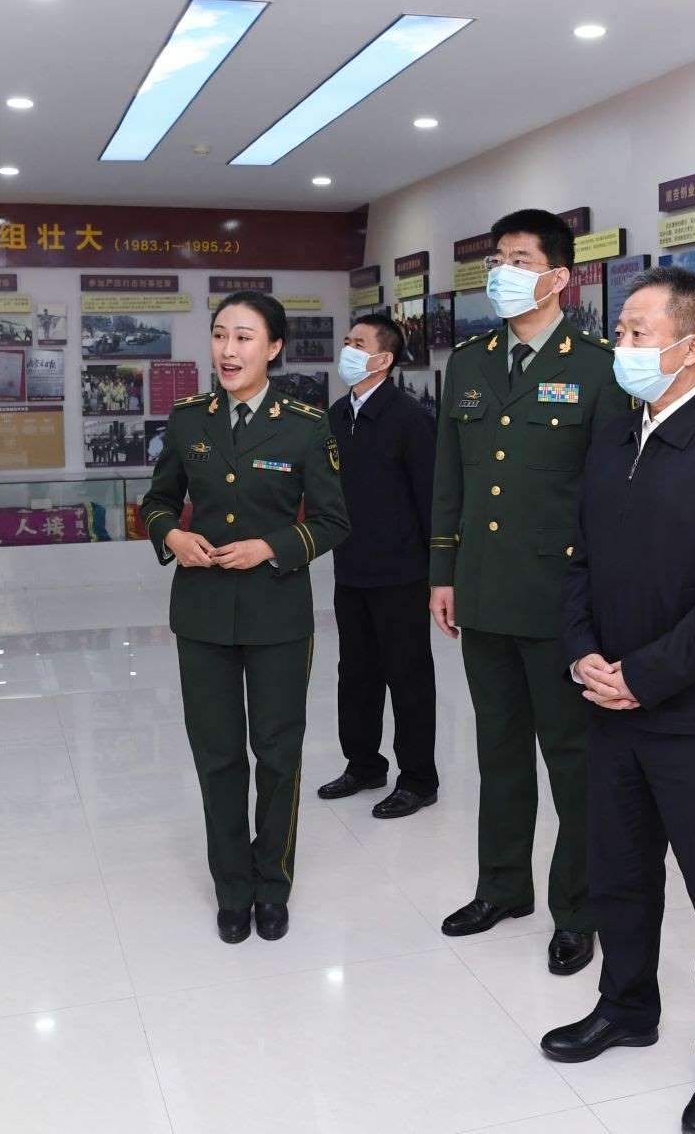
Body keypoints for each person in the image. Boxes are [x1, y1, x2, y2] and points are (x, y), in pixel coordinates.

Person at [539, 267, 695, 1134]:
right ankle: (626, 1005)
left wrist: (642, 674)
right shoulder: (615, 435)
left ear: (692, 346)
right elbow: (579, 560)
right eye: (621, 331)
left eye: (639, 333)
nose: (623, 346)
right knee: (620, 873)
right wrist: (582, 653)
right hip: (607, 704)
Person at [430, 208, 631, 976]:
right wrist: (442, 573)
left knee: (572, 762)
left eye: (519, 259)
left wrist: (601, 603)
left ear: (559, 277)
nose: (502, 273)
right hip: (483, 589)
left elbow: (612, 495)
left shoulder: (599, 366)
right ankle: (502, 886)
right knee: (499, 750)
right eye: (497, 259)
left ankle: (577, 909)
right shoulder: (470, 363)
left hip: (560, 598)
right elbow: (451, 477)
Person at [139, 291, 351, 945]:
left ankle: (273, 883)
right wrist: (172, 536)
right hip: (202, 613)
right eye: (220, 336)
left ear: (274, 347)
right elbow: (157, 502)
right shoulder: (188, 420)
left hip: (277, 612)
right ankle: (232, 887)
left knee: (278, 754)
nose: (228, 351)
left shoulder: (305, 425)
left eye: (244, 338)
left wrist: (271, 547)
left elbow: (333, 520)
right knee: (218, 755)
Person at [318, 312, 439, 818]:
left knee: (408, 678)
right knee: (356, 674)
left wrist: (439, 575)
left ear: (383, 359)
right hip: (351, 570)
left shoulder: (410, 420)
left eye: (359, 343)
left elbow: (431, 502)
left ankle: (418, 779)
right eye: (347, 341)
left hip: (402, 575)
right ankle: (364, 764)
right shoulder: (334, 417)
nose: (347, 350)